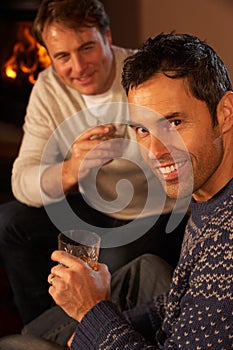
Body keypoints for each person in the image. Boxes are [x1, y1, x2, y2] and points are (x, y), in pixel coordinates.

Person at [1, 32, 231, 349]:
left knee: (16, 344)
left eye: (175, 123)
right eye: (142, 129)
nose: (156, 150)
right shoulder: (209, 197)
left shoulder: (225, 240)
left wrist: (92, 313)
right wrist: (97, 323)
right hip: (102, 211)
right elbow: (181, 302)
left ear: (225, 112)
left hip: (147, 217)